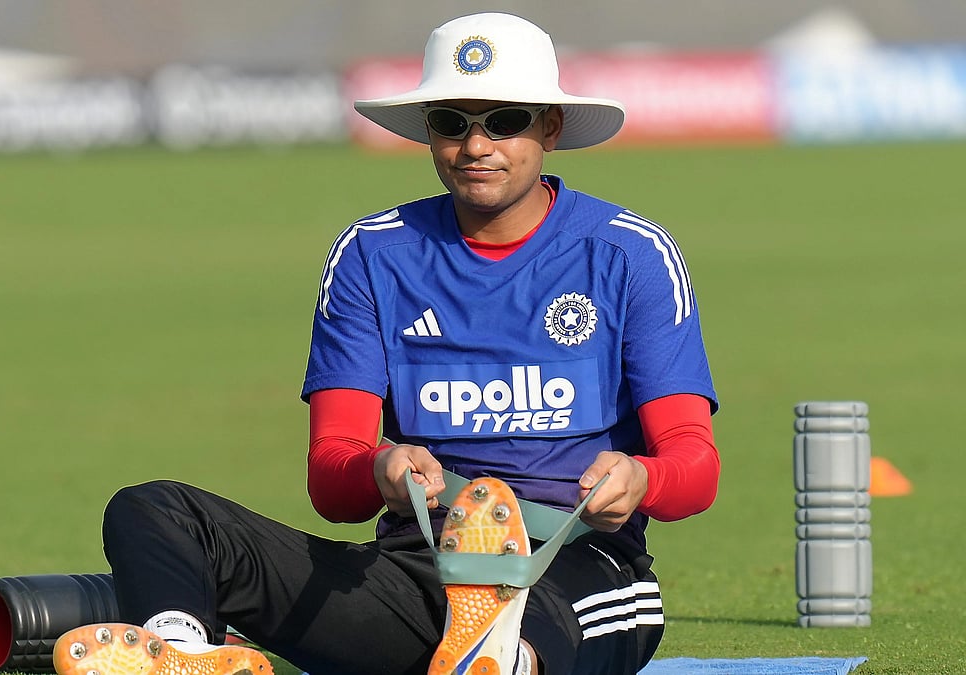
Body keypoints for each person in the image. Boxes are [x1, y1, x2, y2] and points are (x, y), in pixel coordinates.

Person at [52, 11, 719, 675]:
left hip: (576, 565)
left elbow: (695, 465)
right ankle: (181, 648)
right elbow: (333, 480)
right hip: (414, 570)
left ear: (550, 126)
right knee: (154, 510)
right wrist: (382, 468)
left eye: (505, 121)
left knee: (539, 631)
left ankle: (503, 657)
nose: (476, 145)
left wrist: (642, 478)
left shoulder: (629, 254)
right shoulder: (371, 255)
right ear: (428, 131)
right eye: (451, 123)